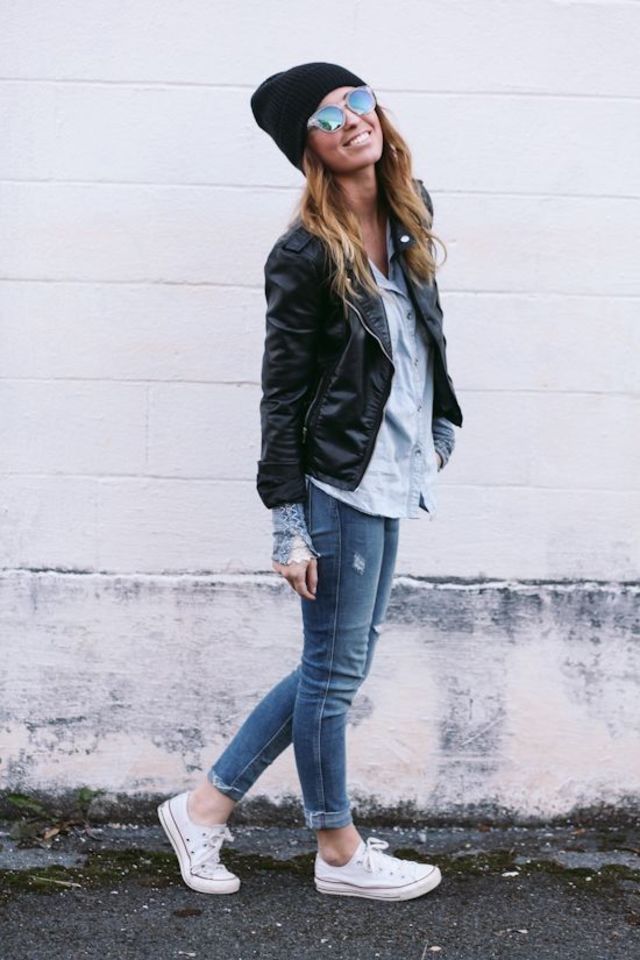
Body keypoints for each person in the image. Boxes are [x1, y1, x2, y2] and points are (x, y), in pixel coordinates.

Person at [158, 61, 463, 902]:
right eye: (327, 118)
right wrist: (287, 523)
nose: (351, 120)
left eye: (358, 100)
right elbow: (282, 392)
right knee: (332, 673)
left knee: (337, 665)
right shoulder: (303, 252)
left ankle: (204, 807)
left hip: (392, 466)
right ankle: (337, 848)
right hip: (338, 481)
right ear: (309, 150)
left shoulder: (409, 209)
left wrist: (440, 419)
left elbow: (423, 330)